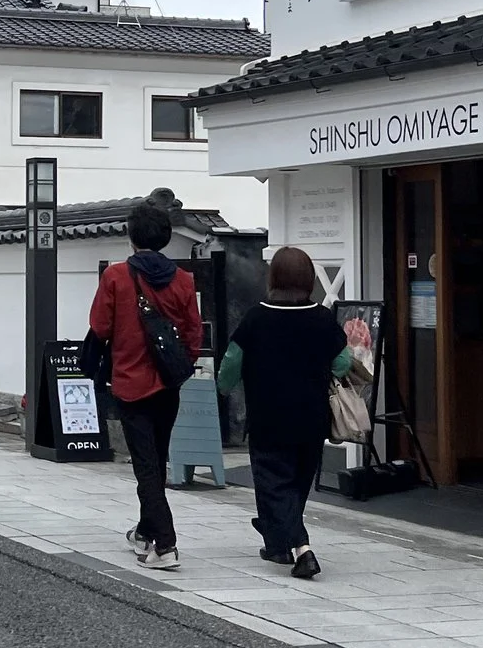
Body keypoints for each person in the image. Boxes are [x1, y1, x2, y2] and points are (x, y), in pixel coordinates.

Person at [218, 246, 355, 581]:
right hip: (311, 418)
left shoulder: (256, 318)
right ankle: (278, 543)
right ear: (308, 279)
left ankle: (302, 549)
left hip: (268, 418)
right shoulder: (322, 319)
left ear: (273, 278)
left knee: (274, 485)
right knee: (295, 484)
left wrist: (223, 387)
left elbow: (231, 366)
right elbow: (343, 363)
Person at [87, 196, 204, 572]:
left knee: (146, 467)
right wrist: (179, 364)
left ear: (131, 237)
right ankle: (144, 533)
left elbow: (101, 327)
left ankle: (165, 544)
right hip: (168, 384)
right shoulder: (183, 280)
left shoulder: (117, 276)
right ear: (168, 237)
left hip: (130, 381)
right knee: (157, 458)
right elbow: (192, 335)